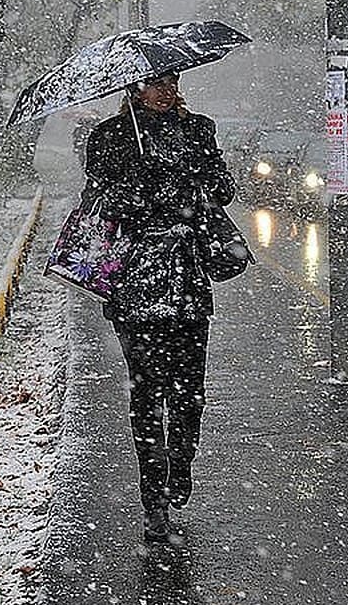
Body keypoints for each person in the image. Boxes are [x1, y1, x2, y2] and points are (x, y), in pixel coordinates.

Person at [80, 72, 236, 543]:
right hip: (135, 281)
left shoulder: (198, 130)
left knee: (189, 391)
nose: (165, 90)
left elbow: (223, 191)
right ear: (133, 89)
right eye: (154, 83)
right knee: (147, 393)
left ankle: (180, 459)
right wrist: (142, 190)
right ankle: (153, 497)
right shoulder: (110, 136)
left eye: (171, 81)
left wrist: (197, 182)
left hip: (187, 278)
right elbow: (97, 203)